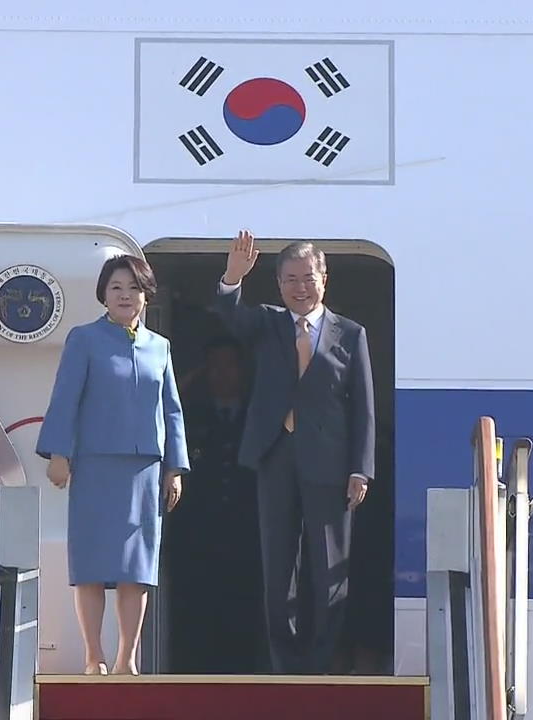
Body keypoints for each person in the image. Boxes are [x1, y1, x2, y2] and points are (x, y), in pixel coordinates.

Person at [211, 230, 375, 674]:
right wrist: (232, 277)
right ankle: (285, 665)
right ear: (278, 284)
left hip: (331, 463)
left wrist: (361, 468)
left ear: (324, 279)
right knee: (278, 568)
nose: (300, 288)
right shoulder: (267, 323)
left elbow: (363, 406)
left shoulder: (350, 333)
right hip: (276, 456)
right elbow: (229, 314)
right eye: (290, 279)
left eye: (308, 278)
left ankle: (319, 662)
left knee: (328, 570)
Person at [35, 254, 189, 676]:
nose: (125, 295)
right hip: (95, 466)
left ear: (146, 296)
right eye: (117, 287)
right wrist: (59, 455)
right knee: (90, 565)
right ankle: (93, 656)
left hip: (144, 471)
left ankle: (127, 658)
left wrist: (174, 467)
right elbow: (65, 398)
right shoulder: (84, 339)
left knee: (136, 569)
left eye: (134, 288)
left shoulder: (161, 347)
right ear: (103, 293)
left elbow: (171, 411)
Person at [164, 336, 265, 673]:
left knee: (244, 624)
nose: (223, 374)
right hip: (197, 542)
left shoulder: (260, 417)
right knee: (197, 625)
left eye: (230, 365)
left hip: (247, 541)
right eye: (215, 366)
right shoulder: (189, 418)